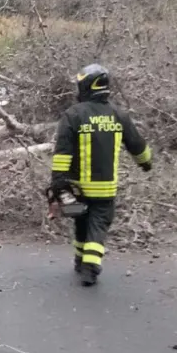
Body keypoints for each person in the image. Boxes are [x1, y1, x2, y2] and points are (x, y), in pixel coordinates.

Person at [49, 63, 153, 287]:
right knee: (99, 224)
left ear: (86, 86)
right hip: (105, 188)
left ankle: (80, 260)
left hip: (77, 187)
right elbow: (137, 145)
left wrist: (58, 181)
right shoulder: (118, 115)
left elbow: (62, 153)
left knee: (81, 222)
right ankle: (90, 268)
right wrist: (145, 163)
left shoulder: (73, 115)